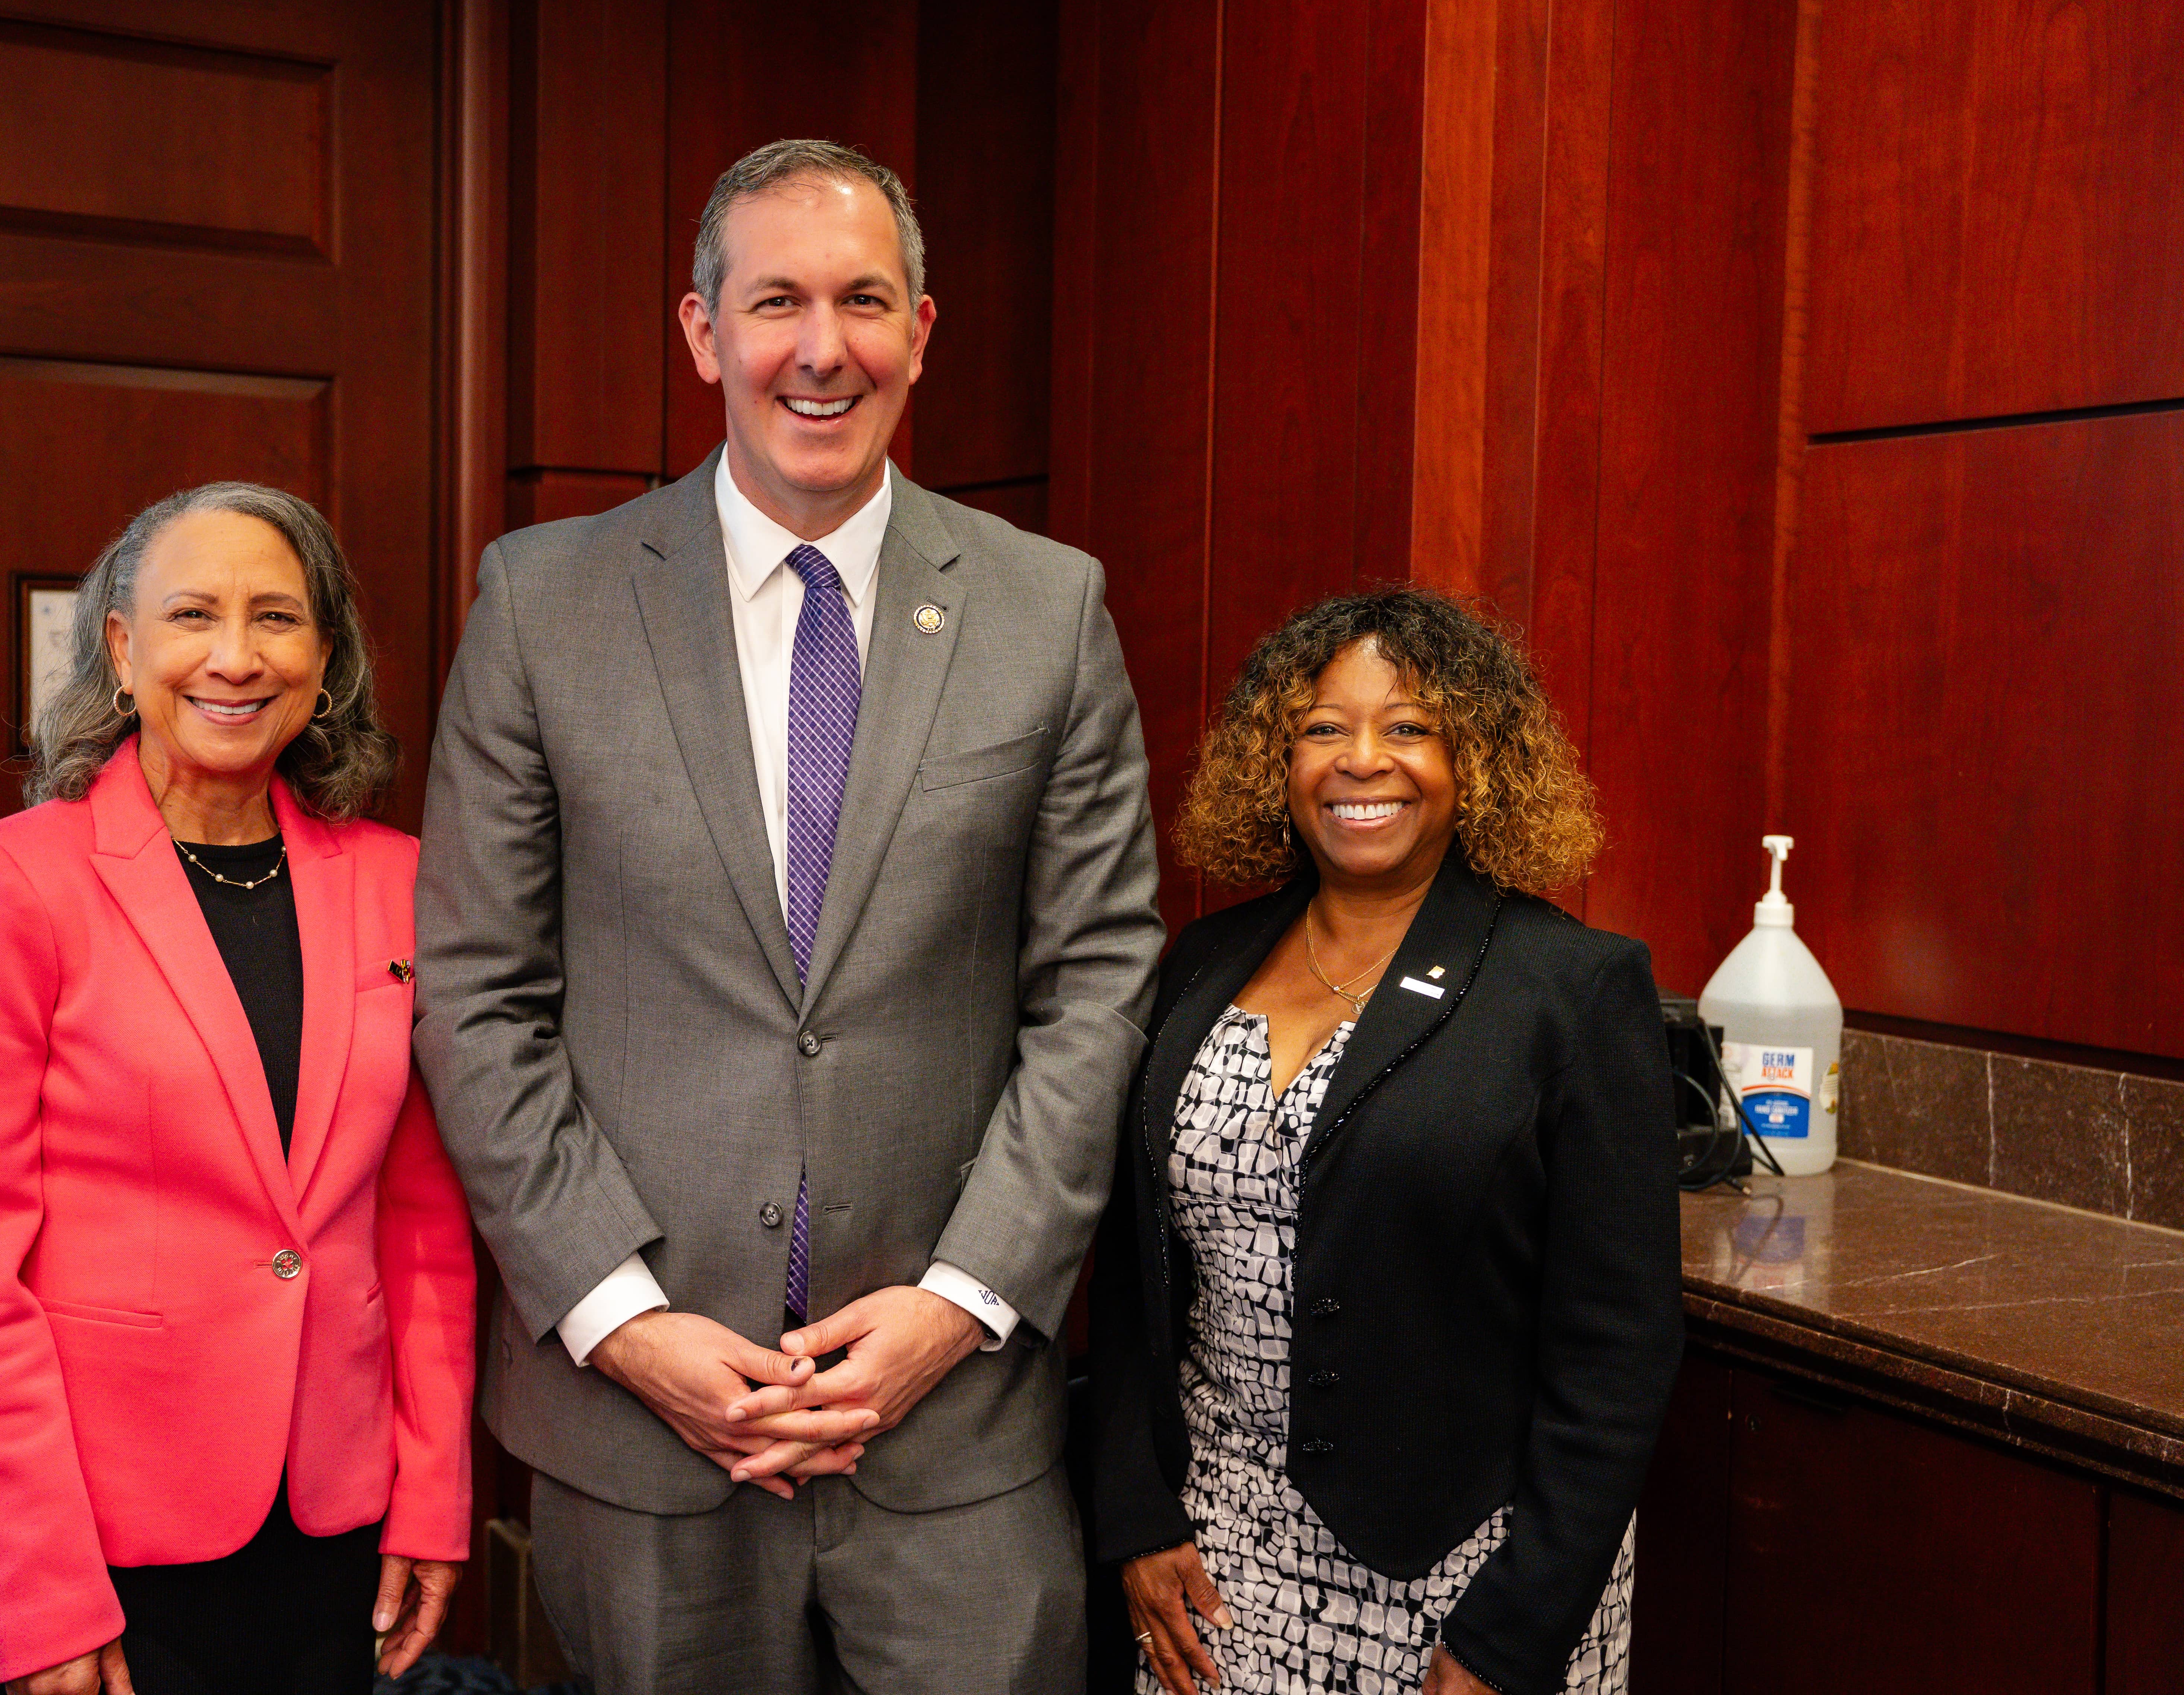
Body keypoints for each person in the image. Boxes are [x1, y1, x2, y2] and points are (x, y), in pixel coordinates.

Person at [416, 138, 1164, 1692]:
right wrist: (624, 1323)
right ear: (703, 335)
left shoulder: (1049, 609)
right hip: (643, 1431)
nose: (822, 348)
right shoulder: (542, 605)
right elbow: (479, 997)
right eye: (776, 303)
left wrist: (960, 1305)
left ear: (922, 331)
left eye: (863, 301)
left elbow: (1095, 989)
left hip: (955, 1427)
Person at [0, 484, 479, 1695]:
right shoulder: (12, 883)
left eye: (276, 618)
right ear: (123, 648)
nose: (233, 656)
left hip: (332, 1527)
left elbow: (423, 1224)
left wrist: (431, 1491)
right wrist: (39, 1589)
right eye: (192, 615)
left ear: (326, 661)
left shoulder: (399, 884)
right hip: (99, 1542)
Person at [1087, 588, 1681, 1695]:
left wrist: (1517, 1627)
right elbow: (1135, 1273)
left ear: (1478, 761)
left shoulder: (1572, 988)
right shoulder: (1204, 963)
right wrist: (1135, 1512)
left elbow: (1619, 1353)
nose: (1364, 761)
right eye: (1323, 728)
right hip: (1213, 1555)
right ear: (1280, 760)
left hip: (1470, 1575)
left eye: (1409, 727)